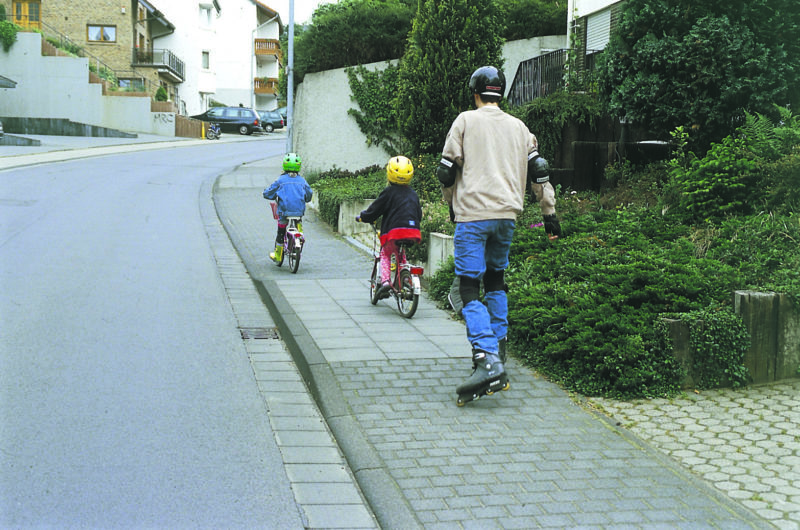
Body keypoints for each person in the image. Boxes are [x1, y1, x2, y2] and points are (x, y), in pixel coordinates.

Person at [436, 65, 561, 403]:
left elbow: (446, 173)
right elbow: (539, 170)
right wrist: (549, 214)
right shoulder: (520, 128)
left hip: (473, 217)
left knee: (467, 289)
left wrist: (452, 206)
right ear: (500, 93)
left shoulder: (465, 121)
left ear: (475, 93)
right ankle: (500, 351)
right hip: (507, 216)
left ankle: (486, 358)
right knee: (495, 280)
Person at [356, 156, 422, 299]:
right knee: (401, 254)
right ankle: (405, 278)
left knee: (386, 254)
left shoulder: (389, 192)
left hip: (394, 233)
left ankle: (385, 282)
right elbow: (419, 213)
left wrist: (363, 217)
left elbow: (375, 210)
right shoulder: (413, 194)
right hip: (413, 232)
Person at [263, 153, 313, 263]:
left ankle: (278, 255)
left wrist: (266, 194)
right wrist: (306, 199)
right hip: (298, 211)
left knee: (281, 231)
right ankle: (300, 235)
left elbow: (269, 193)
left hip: (284, 212)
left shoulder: (280, 180)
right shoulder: (302, 181)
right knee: (298, 219)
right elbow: (309, 194)